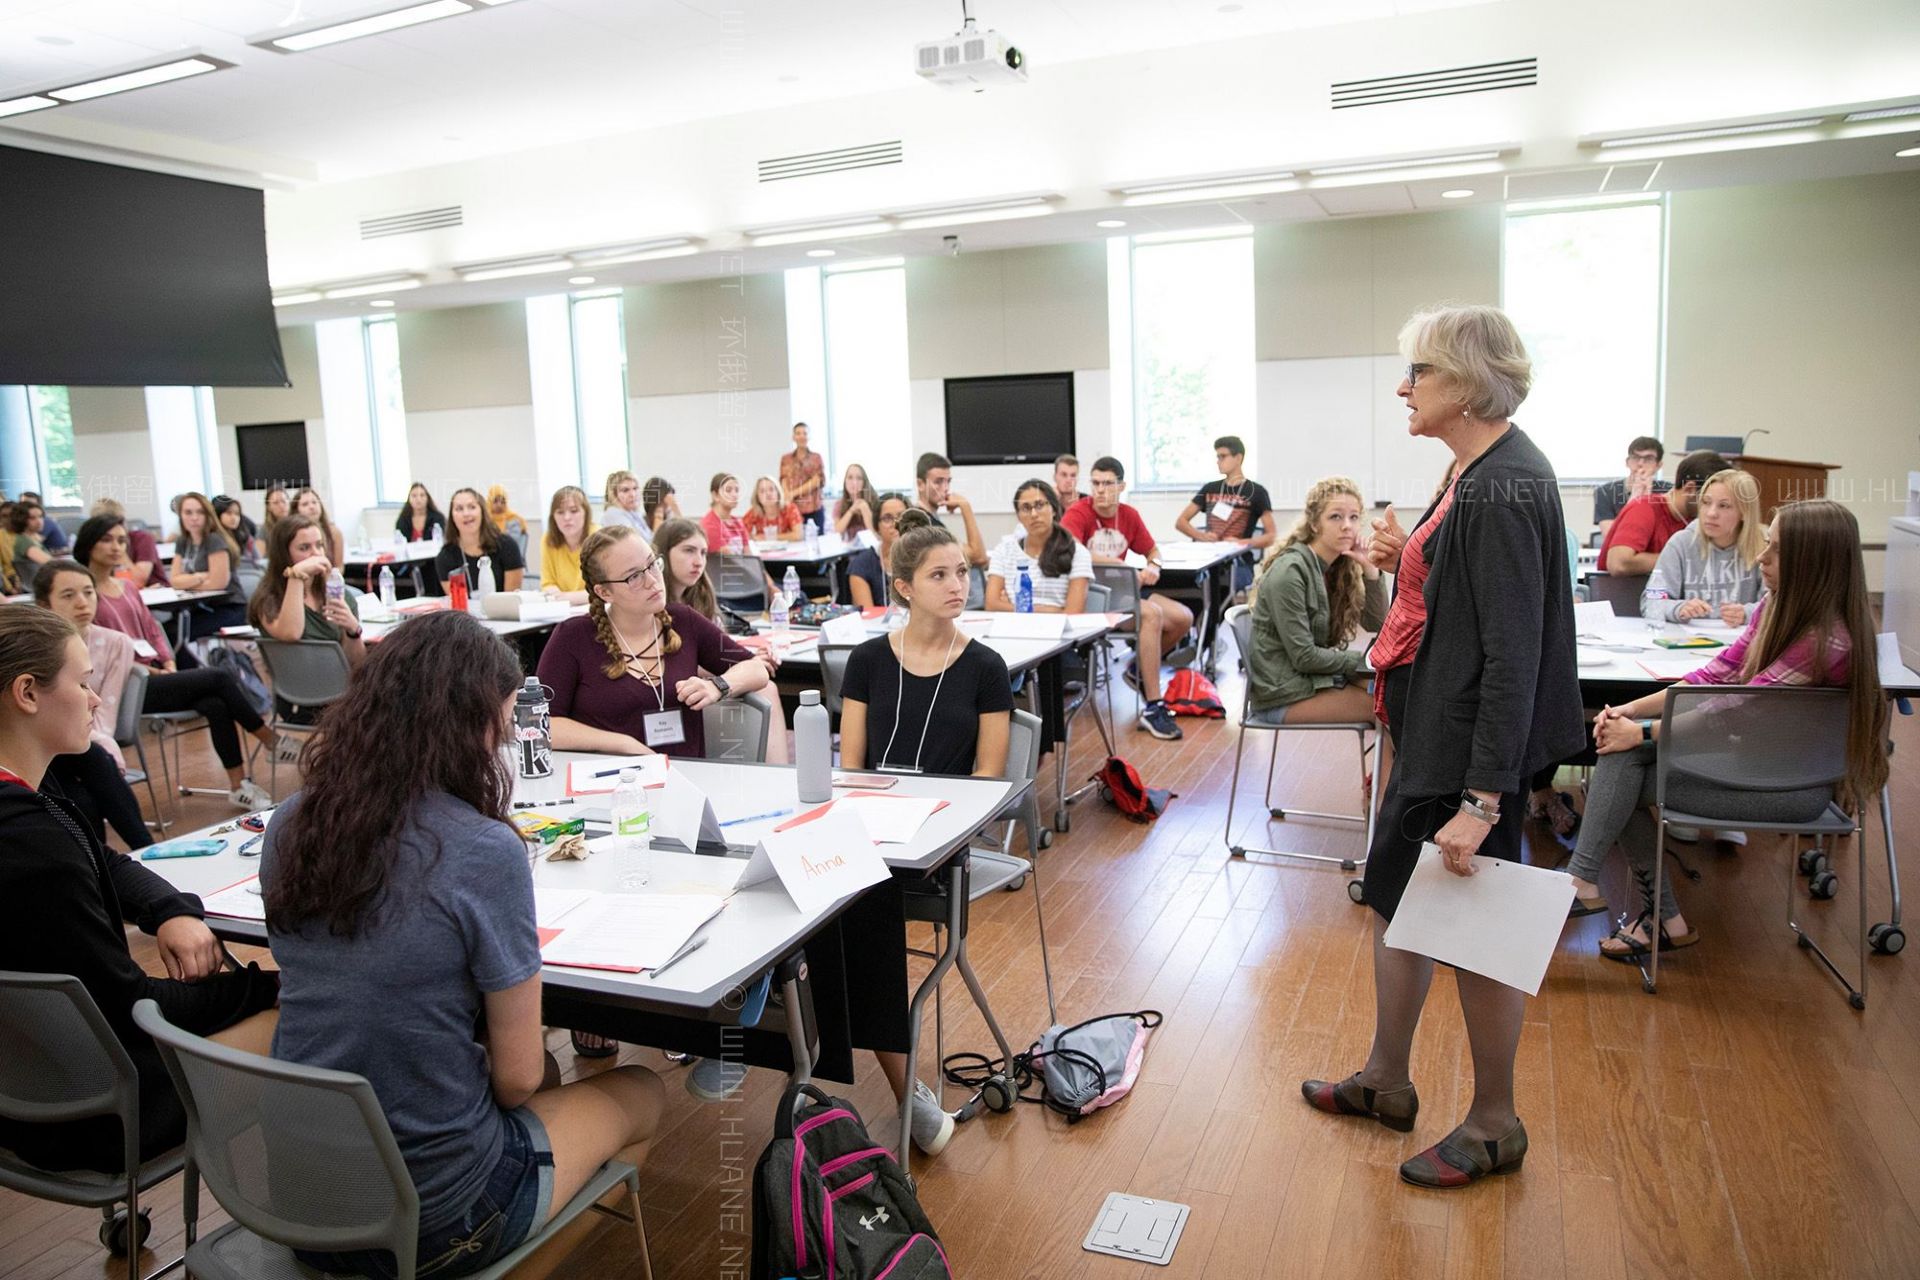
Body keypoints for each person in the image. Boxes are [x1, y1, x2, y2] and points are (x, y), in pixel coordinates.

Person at [262, 610, 663, 1280]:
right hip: (432, 1214)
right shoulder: (482, 851)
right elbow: (514, 1082)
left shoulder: (291, 824)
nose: (499, 745)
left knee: (549, 1079)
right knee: (643, 1092)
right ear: (466, 725)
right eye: (499, 726)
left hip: (302, 1197)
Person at [1302, 304, 1582, 1190]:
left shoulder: (1501, 486)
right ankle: (1387, 1077)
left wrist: (1482, 800)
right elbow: (1456, 602)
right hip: (1437, 741)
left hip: (1465, 758)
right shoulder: (1478, 471)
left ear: (1462, 383)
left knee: (1475, 933)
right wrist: (1405, 555)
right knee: (1397, 903)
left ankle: (1496, 1122)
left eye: (1417, 373)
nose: (1403, 387)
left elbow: (1512, 653)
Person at [0, 605, 279, 1177]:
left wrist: (170, 910)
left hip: (26, 1091)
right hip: (105, 1111)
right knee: (320, 1016)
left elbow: (98, 855)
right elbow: (135, 1006)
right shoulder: (29, 841)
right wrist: (268, 986)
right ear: (27, 692)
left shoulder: (27, 809)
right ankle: (332, 1219)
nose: (98, 699)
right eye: (82, 683)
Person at [1566, 499, 1886, 956]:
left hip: (1788, 788)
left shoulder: (1827, 642)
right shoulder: (1774, 607)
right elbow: (1714, 677)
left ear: (1810, 563)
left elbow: (1735, 709)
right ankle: (1628, 902)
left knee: (1623, 775)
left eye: (1774, 551)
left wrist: (1644, 733)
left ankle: (1616, 894)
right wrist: (1631, 711)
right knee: (1622, 761)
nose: (1760, 559)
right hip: (1748, 762)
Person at [838, 509, 1012, 1155]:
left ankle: (905, 1088)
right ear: (904, 586)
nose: (955, 585)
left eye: (961, 572)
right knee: (806, 882)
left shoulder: (986, 666)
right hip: (872, 824)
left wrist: (913, 823)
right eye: (938, 574)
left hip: (944, 836)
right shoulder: (866, 660)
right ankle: (802, 1045)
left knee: (861, 903)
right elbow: (850, 766)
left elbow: (987, 781)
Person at [75, 520, 291, 806]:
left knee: (215, 703)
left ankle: (239, 786)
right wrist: (153, 670)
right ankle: (270, 740)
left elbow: (152, 630)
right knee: (218, 678)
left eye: (121, 540)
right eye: (107, 540)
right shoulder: (84, 595)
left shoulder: (126, 587)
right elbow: (100, 654)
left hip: (157, 674)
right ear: (89, 544)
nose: (117, 547)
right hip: (126, 683)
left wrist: (168, 661)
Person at [537, 525, 770, 760]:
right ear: (604, 592)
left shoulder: (684, 621)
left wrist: (717, 686)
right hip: (610, 782)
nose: (652, 581)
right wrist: (621, 743)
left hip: (685, 780)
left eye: (652, 564)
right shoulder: (573, 636)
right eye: (634, 576)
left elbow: (756, 669)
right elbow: (542, 726)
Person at [1060, 456, 1196, 742]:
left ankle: (1138, 671)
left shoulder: (1128, 515)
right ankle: (1153, 706)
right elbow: (1072, 550)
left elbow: (1153, 550)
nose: (1100, 490)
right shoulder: (1078, 512)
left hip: (1123, 593)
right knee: (1151, 614)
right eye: (1095, 483)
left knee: (1183, 617)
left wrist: (1152, 567)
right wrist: (1121, 565)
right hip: (1091, 597)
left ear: (1121, 486)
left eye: (1108, 483)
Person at [1245, 476, 1387, 728]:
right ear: (1314, 523)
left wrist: (1370, 570)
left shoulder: (1338, 567)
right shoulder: (1290, 571)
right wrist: (1364, 663)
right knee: (1385, 707)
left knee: (1395, 692)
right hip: (1281, 694)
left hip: (1308, 680)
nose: (1347, 526)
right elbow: (1304, 657)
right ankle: (1387, 769)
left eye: (1354, 517)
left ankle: (1386, 769)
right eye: (1335, 517)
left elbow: (1379, 623)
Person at [31, 562, 154, 850]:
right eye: (68, 595)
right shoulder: (33, 653)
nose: (82, 603)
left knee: (92, 766)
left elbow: (102, 713)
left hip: (74, 742)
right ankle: (137, 856)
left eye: (89, 592)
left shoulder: (111, 642)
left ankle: (134, 858)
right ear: (43, 604)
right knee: (89, 774)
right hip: (35, 750)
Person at [248, 515, 370, 722]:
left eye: (319, 546)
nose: (315, 554)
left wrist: (352, 629)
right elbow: (291, 633)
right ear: (284, 554)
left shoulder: (337, 594)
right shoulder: (268, 599)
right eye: (304, 548)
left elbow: (358, 663)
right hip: (299, 699)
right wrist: (296, 577)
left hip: (343, 693)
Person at [1641, 468, 1765, 626]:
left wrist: (1747, 614)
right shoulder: (1681, 543)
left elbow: (1779, 607)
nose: (1711, 513)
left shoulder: (1764, 547)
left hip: (1741, 643)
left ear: (1744, 512)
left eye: (1724, 506)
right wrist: (1680, 608)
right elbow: (1650, 603)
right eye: (1706, 503)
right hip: (1686, 642)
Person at [1597, 449, 1729, 576]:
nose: (1713, 511)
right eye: (1707, 500)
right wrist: (1680, 559)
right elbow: (1619, 564)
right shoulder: (1644, 509)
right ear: (1689, 489)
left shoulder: (1694, 520)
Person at [1174, 435, 1276, 591]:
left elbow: (1271, 535)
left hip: (1237, 562)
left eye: (1223, 456)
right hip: (1207, 557)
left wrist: (1242, 543)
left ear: (1238, 458)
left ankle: (1214, 614)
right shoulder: (1210, 488)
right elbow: (1181, 522)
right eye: (1217, 457)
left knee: (1218, 586)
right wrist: (1201, 536)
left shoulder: (1256, 492)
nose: (1218, 461)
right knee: (1185, 582)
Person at [985, 480, 1091, 614]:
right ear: (1018, 516)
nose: (1034, 514)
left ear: (1053, 509)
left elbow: (1073, 612)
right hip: (1013, 628)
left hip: (1059, 631)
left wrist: (1014, 607)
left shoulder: (1078, 553)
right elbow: (991, 604)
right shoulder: (1003, 551)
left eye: (1040, 505)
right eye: (1026, 508)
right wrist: (1046, 610)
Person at [168, 490, 250, 634]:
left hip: (230, 607)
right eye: (188, 513)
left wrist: (186, 583)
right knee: (166, 629)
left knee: (177, 633)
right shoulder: (182, 541)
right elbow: (174, 580)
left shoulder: (214, 539)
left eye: (200, 512)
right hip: (202, 606)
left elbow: (218, 583)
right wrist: (201, 576)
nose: (194, 518)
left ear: (208, 515)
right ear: (181, 515)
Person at [436, 486, 526, 593]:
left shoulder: (507, 546)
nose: (466, 514)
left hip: (503, 609)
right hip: (464, 610)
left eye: (472, 507)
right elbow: (456, 604)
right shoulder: (445, 557)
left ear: (482, 511)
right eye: (459, 509)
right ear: (452, 517)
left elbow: (511, 600)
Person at [912, 452, 986, 573]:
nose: (946, 488)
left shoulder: (931, 518)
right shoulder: (923, 524)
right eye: (938, 482)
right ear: (920, 484)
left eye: (948, 481)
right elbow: (978, 557)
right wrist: (965, 506)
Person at [1592, 436, 1671, 539]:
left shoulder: (1668, 491)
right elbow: (1610, 536)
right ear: (1627, 462)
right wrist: (1634, 498)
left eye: (1648, 459)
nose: (1640, 464)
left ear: (1659, 465)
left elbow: (1667, 535)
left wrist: (1647, 498)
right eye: (1635, 457)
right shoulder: (1605, 492)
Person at [847, 494, 911, 609]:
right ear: (877, 526)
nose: (895, 524)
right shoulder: (861, 565)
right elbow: (868, 615)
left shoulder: (923, 560)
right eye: (887, 518)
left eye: (902, 517)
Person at [89, 497, 169, 588]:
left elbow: (138, 582)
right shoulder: (96, 546)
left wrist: (118, 547)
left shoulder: (143, 539)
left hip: (157, 595)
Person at [540, 485, 596, 605]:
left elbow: (603, 591)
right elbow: (548, 584)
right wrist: (555, 595)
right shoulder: (548, 539)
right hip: (562, 610)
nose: (567, 517)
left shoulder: (597, 538)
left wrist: (563, 597)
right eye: (560, 512)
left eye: (574, 511)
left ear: (585, 513)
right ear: (553, 516)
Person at [780, 422, 827, 535]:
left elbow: (816, 481)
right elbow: (783, 479)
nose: (802, 436)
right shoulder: (786, 459)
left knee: (817, 542)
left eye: (805, 433)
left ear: (809, 437)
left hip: (814, 508)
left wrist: (793, 493)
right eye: (798, 433)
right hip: (793, 510)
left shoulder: (816, 458)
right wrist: (787, 496)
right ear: (793, 437)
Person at [294, 486, 347, 566]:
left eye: (315, 502)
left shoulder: (334, 532)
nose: (312, 507)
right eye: (305, 504)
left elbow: (339, 567)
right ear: (296, 510)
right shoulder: (291, 533)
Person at [699, 472, 750, 554]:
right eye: (728, 490)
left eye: (736, 490)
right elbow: (729, 559)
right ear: (715, 495)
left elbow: (748, 555)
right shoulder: (710, 524)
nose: (734, 495)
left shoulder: (738, 522)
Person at [742, 474, 802, 542]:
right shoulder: (754, 512)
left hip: (789, 548)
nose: (768, 494)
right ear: (757, 497)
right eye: (762, 491)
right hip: (763, 550)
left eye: (771, 489)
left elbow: (798, 535)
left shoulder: (790, 508)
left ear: (778, 493)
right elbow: (740, 533)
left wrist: (767, 537)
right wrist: (753, 537)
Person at [212, 494, 262, 565]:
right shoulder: (215, 539)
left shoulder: (244, 535)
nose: (234, 518)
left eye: (237, 514)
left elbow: (258, 559)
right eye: (229, 513)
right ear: (218, 514)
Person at [834, 462, 876, 536]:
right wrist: (851, 511)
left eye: (859, 478)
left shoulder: (874, 501)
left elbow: (874, 534)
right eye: (850, 477)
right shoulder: (839, 504)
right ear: (845, 481)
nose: (854, 482)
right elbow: (837, 532)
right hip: (849, 546)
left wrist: (865, 509)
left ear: (864, 482)